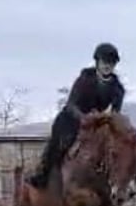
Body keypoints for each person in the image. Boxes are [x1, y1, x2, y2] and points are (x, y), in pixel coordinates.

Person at [28, 42, 126, 188]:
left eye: (111, 63)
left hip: (97, 122)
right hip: (71, 119)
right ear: (97, 62)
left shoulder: (118, 89)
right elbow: (71, 104)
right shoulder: (84, 79)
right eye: (104, 62)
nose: (107, 66)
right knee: (62, 144)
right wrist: (83, 118)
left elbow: (115, 113)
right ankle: (43, 173)